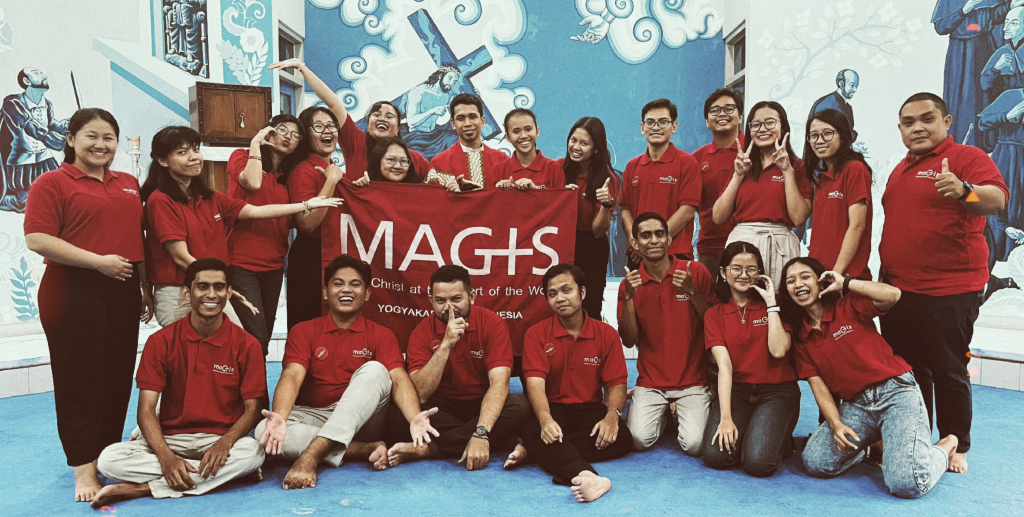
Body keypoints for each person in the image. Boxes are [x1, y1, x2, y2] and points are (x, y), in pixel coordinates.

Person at [24, 108, 153, 503]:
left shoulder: (128, 182)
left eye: (108, 137)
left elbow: (136, 237)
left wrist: (144, 286)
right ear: (70, 140)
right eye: (91, 136)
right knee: (79, 379)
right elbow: (38, 238)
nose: (101, 145)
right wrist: (98, 262)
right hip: (72, 288)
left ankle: (107, 456)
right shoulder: (52, 182)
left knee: (117, 376)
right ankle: (83, 468)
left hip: (123, 285)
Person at [878, 93, 1008, 474]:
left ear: (947, 122)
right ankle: (916, 436)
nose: (917, 127)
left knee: (948, 368)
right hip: (900, 290)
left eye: (927, 119)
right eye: (908, 122)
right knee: (909, 370)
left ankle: (956, 443)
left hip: (949, 290)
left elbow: (997, 201)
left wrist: (964, 190)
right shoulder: (901, 168)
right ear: (900, 128)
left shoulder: (967, 158)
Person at [778, 256, 959, 498]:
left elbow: (893, 295)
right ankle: (866, 444)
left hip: (895, 393)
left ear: (820, 281)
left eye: (805, 277)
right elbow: (819, 387)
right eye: (790, 281)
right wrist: (836, 424)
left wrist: (846, 283)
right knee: (816, 462)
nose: (798, 284)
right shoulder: (801, 338)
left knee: (907, 483)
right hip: (857, 406)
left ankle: (944, 448)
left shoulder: (847, 306)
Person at [91, 259, 267, 507]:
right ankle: (224, 476)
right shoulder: (160, 341)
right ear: (187, 293)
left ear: (229, 293)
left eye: (219, 287)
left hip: (220, 436)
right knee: (109, 460)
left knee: (253, 453)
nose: (211, 294)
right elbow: (146, 410)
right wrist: (166, 458)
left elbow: (253, 410)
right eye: (202, 286)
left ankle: (145, 488)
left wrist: (225, 443)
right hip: (172, 436)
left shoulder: (247, 344)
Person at [255, 255, 438, 489]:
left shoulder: (381, 334)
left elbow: (399, 379)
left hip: (363, 420)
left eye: (355, 284)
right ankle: (362, 449)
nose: (346, 289)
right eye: (338, 283)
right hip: (316, 413)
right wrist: (280, 417)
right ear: (325, 292)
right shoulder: (303, 331)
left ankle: (312, 454)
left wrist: (414, 418)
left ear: (367, 293)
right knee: (263, 430)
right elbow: (292, 375)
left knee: (376, 370)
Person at [142, 126, 342, 327]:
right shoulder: (160, 200)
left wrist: (307, 205)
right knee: (190, 348)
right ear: (163, 160)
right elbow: (180, 256)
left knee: (236, 341)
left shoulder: (211, 197)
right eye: (182, 152)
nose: (194, 157)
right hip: (180, 292)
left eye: (196, 150)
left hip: (211, 287)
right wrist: (216, 285)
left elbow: (256, 211)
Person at [385, 265, 529, 470]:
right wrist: (446, 344)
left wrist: (481, 432)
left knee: (519, 406)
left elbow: (499, 384)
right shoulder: (421, 331)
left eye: (456, 299)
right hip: (441, 407)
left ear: (472, 296)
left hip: (481, 403)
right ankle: (500, 440)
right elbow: (421, 394)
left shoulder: (493, 324)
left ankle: (430, 449)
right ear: (430, 300)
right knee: (397, 415)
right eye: (440, 301)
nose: (449, 308)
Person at [518, 264, 631, 503]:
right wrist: (545, 420)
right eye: (552, 294)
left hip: (589, 408)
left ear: (583, 292)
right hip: (553, 408)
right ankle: (587, 476)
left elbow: (616, 384)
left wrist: (612, 417)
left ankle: (537, 451)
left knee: (621, 438)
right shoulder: (536, 334)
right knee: (533, 430)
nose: (560, 298)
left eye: (566, 290)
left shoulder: (607, 334)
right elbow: (535, 385)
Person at [699, 242, 799, 477]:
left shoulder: (777, 303)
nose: (744, 275)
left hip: (777, 391)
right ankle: (757, 434)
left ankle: (777, 438)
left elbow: (778, 350)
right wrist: (725, 418)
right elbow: (724, 366)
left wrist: (771, 304)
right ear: (724, 272)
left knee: (758, 464)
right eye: (736, 268)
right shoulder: (714, 314)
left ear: (760, 273)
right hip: (738, 391)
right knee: (715, 456)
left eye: (751, 269)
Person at [618, 212, 714, 455]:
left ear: (669, 239)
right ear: (635, 243)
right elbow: (628, 340)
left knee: (694, 445)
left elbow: (715, 326)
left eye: (659, 234)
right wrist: (628, 299)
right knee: (638, 441)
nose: (654, 240)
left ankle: (690, 407)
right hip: (651, 382)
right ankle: (661, 415)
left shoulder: (695, 271)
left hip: (693, 380)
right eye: (646, 235)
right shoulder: (630, 283)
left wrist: (692, 291)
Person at [268, 59, 431, 179]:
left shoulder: (414, 159)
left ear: (398, 128)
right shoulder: (356, 144)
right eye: (376, 115)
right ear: (368, 124)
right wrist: (302, 67)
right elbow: (333, 103)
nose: (382, 118)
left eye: (389, 116)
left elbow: (438, 185)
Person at [712, 101, 812, 286]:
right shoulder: (742, 165)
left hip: (781, 245)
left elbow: (798, 218)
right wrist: (738, 175)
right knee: (740, 299)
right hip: (743, 246)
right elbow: (718, 216)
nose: (762, 129)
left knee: (780, 300)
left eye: (770, 122)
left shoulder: (797, 166)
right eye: (756, 124)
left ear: (783, 126)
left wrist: (787, 171)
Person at [226, 114, 303, 356]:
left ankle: (256, 381)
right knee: (254, 338)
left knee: (263, 339)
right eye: (282, 129)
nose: (288, 136)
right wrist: (255, 144)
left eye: (295, 135)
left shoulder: (287, 178)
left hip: (274, 267)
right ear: (268, 131)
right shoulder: (241, 157)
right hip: (241, 265)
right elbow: (253, 183)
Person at [619, 99, 701, 270]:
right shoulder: (632, 166)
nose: (656, 127)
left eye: (663, 122)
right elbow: (626, 210)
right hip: (638, 256)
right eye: (650, 122)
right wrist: (637, 242)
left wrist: (652, 242)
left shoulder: (687, 163)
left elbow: (687, 209)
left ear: (674, 126)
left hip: (675, 253)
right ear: (642, 128)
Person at [558, 116, 618, 321]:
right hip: (559, 245)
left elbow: (598, 231)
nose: (576, 147)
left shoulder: (607, 179)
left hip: (591, 248)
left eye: (584, 143)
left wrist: (606, 205)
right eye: (573, 140)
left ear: (596, 149)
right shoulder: (557, 169)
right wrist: (558, 194)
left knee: (589, 308)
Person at [803, 109, 873, 280]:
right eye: (814, 135)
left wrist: (836, 273)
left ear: (843, 136)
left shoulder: (854, 168)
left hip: (845, 278)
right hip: (821, 275)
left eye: (827, 133)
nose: (819, 141)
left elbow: (857, 225)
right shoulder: (822, 177)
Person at [932, 0, 1014, 146]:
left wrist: (1010, 6)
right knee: (963, 97)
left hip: (985, 47)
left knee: (987, 93)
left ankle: (987, 141)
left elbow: (994, 15)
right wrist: (964, 10)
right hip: (961, 53)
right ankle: (961, 142)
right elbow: (941, 27)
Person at [1, 67, 68, 212]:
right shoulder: (12, 102)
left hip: (44, 159)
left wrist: (72, 123)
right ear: (26, 81)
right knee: (28, 202)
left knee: (56, 195)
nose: (45, 76)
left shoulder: (47, 104)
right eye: (37, 73)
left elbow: (52, 125)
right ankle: (11, 201)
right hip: (23, 160)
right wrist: (49, 138)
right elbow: (28, 125)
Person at [978, 85, 1024, 298]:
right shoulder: (1014, 95)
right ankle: (990, 277)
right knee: (1000, 206)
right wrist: (1007, 115)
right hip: (1007, 158)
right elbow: (983, 122)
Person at [693, 88, 743, 276]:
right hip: (710, 248)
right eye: (715, 110)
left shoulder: (755, 152)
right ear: (707, 122)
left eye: (729, 108)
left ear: (740, 116)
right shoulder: (697, 158)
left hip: (748, 246)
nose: (722, 114)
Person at [425, 93, 509, 192]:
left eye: (473, 116)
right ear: (453, 124)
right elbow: (432, 198)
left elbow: (512, 197)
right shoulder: (439, 163)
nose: (467, 123)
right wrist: (451, 195)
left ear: (482, 121)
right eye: (461, 118)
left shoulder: (502, 160)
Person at [495, 108, 565, 190]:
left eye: (528, 129)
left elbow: (561, 198)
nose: (523, 136)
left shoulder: (554, 169)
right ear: (508, 137)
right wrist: (500, 191)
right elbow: (490, 198)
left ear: (537, 132)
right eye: (516, 131)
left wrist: (535, 190)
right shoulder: (498, 171)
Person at [806, 70, 865, 151]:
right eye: (852, 85)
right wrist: (850, 146)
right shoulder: (827, 104)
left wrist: (851, 144)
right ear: (841, 84)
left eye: (856, 86)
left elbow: (845, 133)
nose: (855, 89)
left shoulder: (847, 108)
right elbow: (821, 137)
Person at [352, 137, 422, 186]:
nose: (398, 166)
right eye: (391, 159)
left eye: (403, 161)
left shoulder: (418, 192)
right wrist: (361, 189)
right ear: (378, 161)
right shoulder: (365, 189)